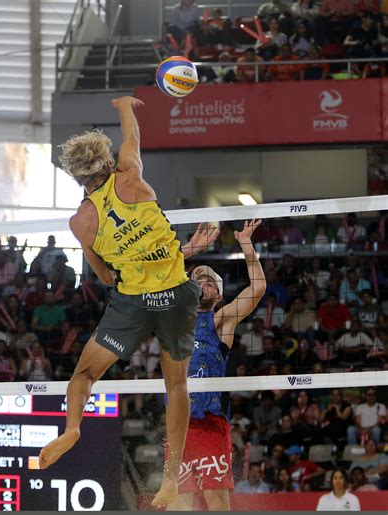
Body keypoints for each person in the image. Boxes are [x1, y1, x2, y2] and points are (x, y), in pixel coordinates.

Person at [38, 96, 219, 509]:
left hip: (133, 303)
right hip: (175, 296)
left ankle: (72, 429)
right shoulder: (132, 175)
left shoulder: (80, 222)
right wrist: (124, 107)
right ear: (107, 161)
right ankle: (171, 480)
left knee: (83, 375)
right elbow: (132, 138)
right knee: (176, 386)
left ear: (75, 176)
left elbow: (103, 276)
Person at [167, 220, 266, 511]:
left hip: (211, 423)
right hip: (178, 423)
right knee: (177, 503)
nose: (203, 283)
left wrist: (246, 244)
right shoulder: (171, 318)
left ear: (219, 295)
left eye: (210, 282)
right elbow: (149, 277)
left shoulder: (220, 320)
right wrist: (188, 251)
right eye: (197, 279)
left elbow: (258, 287)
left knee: (216, 499)